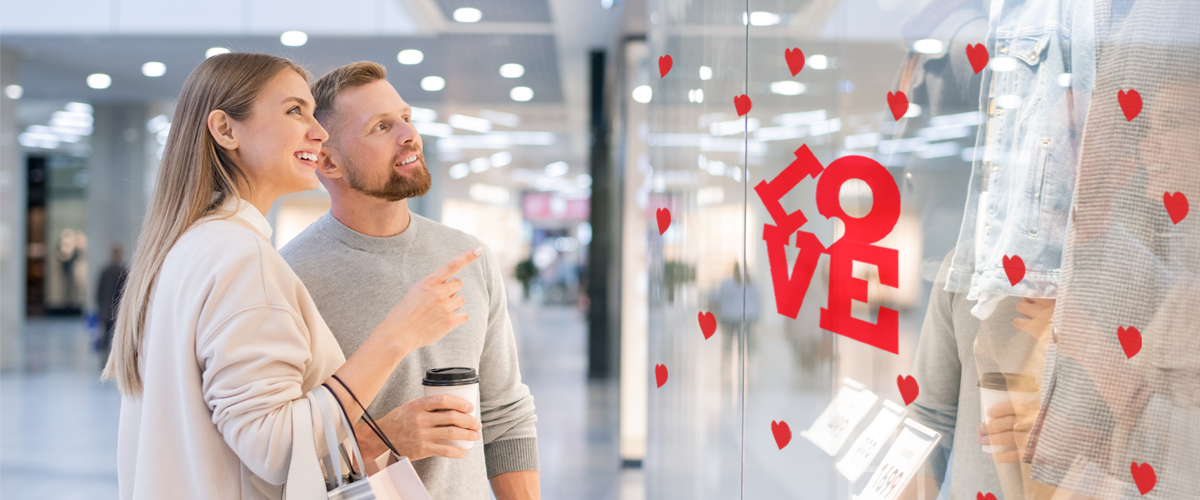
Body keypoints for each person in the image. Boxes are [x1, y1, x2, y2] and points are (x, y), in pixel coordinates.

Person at [103, 52, 482, 500]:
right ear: (225, 130)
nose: (318, 132)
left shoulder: (185, 249)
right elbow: (277, 451)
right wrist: (398, 335)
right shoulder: (244, 260)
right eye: (294, 111)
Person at [280, 61, 540, 500]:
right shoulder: (288, 278)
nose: (408, 135)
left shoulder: (468, 258)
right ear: (328, 160)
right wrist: (384, 439)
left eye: (406, 118)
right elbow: (278, 454)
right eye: (382, 126)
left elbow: (505, 415)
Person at [96, 243, 128, 364]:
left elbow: (99, 292)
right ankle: (115, 358)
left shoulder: (105, 271)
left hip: (105, 310)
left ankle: (104, 358)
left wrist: (100, 306)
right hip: (118, 310)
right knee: (117, 335)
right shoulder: (124, 271)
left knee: (105, 334)